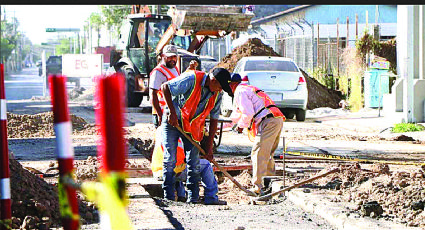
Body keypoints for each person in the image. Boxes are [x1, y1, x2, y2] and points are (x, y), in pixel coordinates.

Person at [160, 67, 233, 204]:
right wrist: (172, 112)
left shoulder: (217, 94)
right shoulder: (192, 79)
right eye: (220, 86)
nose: (220, 90)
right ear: (213, 80)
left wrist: (209, 147)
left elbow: (214, 120)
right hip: (173, 121)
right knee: (170, 159)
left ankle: (192, 199)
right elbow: (165, 87)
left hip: (192, 127)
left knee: (194, 163)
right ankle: (168, 197)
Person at [226, 73, 286, 196]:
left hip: (268, 121)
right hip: (275, 118)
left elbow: (247, 114)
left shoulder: (240, 92)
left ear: (232, 84)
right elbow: (237, 116)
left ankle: (258, 187)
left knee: (258, 153)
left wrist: (241, 126)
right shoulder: (247, 89)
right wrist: (220, 127)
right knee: (267, 153)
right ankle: (269, 182)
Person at [149, 44, 180, 128]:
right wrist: (159, 114)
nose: (173, 59)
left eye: (174, 56)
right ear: (163, 56)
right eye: (169, 57)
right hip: (162, 112)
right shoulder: (158, 72)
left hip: (172, 112)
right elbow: (153, 94)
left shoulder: (175, 69)